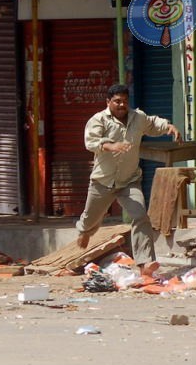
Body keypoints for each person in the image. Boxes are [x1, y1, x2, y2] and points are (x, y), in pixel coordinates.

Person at [75, 83, 182, 277]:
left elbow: (153, 123)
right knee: (91, 218)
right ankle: (84, 231)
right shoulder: (98, 120)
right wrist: (110, 146)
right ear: (108, 102)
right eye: (117, 101)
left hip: (129, 181)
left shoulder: (137, 117)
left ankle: (145, 264)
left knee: (140, 215)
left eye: (124, 101)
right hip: (103, 181)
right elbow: (90, 141)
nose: (121, 105)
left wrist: (169, 127)